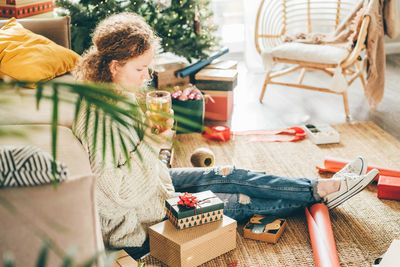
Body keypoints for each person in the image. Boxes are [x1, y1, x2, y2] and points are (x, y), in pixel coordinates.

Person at [73, 12, 379, 249]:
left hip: (155, 186)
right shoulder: (100, 115)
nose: (147, 77)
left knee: (227, 174)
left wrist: (159, 145)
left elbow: (142, 160)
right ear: (114, 66)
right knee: (231, 199)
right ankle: (321, 194)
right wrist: (153, 143)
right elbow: (119, 192)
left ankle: (316, 187)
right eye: (140, 69)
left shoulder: (119, 94)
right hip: (139, 220)